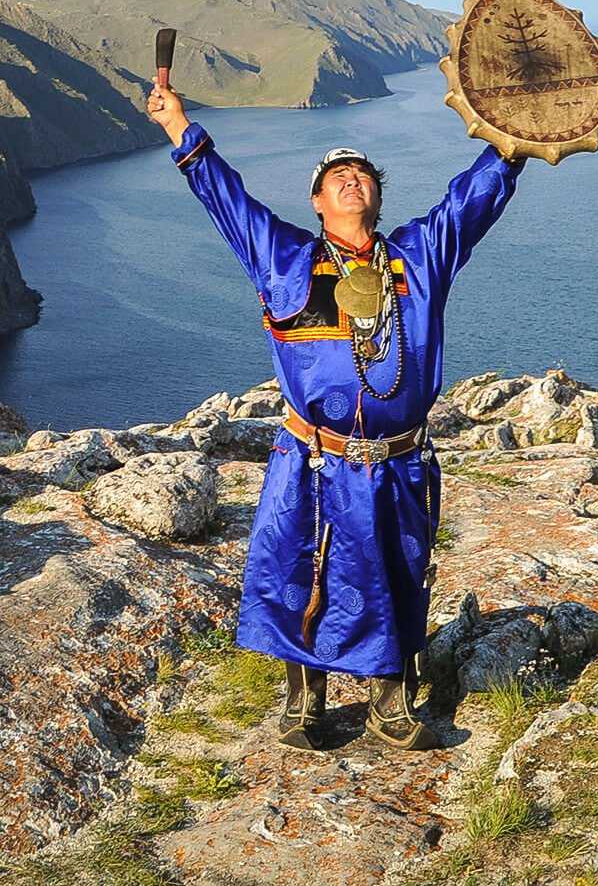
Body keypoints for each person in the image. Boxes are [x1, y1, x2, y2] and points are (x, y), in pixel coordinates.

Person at [146, 82, 524, 751]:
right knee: (301, 569)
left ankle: (389, 700)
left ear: (377, 196)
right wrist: (180, 125)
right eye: (336, 176)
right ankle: (304, 699)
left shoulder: (419, 258)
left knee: (397, 570)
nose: (353, 180)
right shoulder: (286, 260)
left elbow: (469, 203)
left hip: (399, 460)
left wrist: (511, 147)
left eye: (363, 175)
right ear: (317, 201)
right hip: (313, 458)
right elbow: (226, 200)